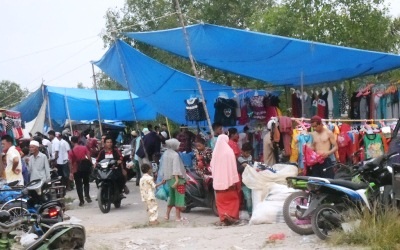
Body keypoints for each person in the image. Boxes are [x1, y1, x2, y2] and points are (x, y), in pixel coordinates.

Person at [210, 134, 240, 226]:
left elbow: (212, 167)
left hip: (219, 184)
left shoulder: (215, 153)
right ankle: (232, 216)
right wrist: (234, 179)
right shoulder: (229, 152)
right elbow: (233, 167)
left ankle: (223, 217)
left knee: (221, 202)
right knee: (233, 200)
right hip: (230, 183)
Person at [162, 138, 188, 221]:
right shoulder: (175, 155)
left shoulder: (165, 154)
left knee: (171, 198)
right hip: (177, 180)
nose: (179, 147)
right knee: (179, 198)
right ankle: (178, 217)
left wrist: (165, 178)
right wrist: (177, 180)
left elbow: (164, 167)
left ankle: (167, 215)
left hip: (169, 179)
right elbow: (176, 169)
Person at [69, 136, 92, 206]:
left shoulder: (71, 151)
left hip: (76, 169)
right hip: (84, 168)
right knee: (86, 182)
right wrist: (90, 164)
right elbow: (89, 157)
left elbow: (70, 162)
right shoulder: (84, 147)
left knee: (78, 185)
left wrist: (71, 172)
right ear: (78, 140)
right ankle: (87, 195)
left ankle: (81, 200)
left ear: (72, 142)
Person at [237, 142, 254, 217]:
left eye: (249, 153)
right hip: (244, 182)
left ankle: (251, 212)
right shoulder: (239, 160)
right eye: (246, 153)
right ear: (242, 151)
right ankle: (250, 213)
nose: (248, 154)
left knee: (252, 197)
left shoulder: (251, 158)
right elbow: (237, 170)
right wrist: (242, 166)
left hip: (252, 181)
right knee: (248, 198)